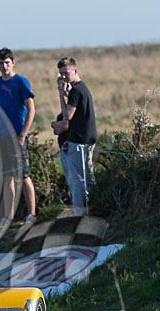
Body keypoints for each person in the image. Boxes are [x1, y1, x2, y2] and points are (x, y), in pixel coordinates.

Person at [0, 47, 37, 224]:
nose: (4, 66)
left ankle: (31, 213)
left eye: (7, 62)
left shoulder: (21, 82)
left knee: (24, 175)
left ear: (13, 63)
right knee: (6, 177)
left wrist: (23, 134)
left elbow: (31, 109)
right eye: (1, 63)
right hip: (1, 136)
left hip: (17, 134)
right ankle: (8, 216)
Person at [51, 57, 98, 216]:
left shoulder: (77, 91)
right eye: (61, 74)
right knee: (88, 178)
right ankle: (93, 209)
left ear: (75, 70)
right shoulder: (81, 89)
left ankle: (80, 216)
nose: (64, 77)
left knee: (78, 182)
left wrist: (61, 96)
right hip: (88, 138)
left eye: (66, 73)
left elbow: (67, 115)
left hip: (78, 141)